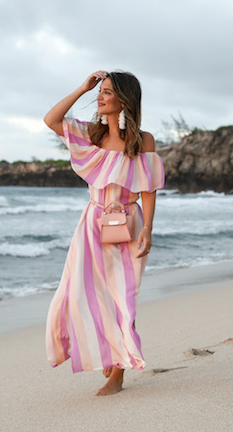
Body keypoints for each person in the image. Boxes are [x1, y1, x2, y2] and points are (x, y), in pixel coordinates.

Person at [44, 70, 165, 396]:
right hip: (93, 226)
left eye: (107, 92)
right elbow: (51, 119)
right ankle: (109, 356)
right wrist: (83, 87)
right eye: (100, 91)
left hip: (128, 225)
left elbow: (149, 190)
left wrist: (149, 231)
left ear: (124, 99)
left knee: (122, 297)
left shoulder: (143, 141)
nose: (100, 96)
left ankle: (119, 374)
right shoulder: (91, 135)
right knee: (82, 294)